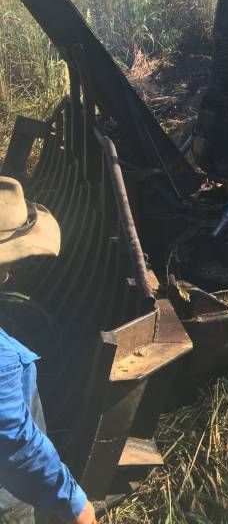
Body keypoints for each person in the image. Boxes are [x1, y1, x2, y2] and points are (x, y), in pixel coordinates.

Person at [0, 177, 96, 524]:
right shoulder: (4, 361)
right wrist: (77, 505)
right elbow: (17, 446)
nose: (8, 276)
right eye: (4, 265)